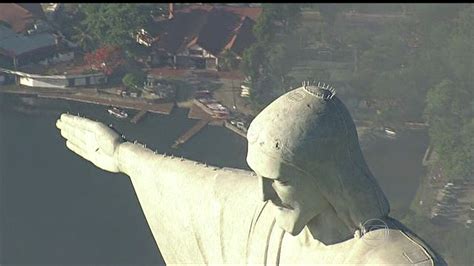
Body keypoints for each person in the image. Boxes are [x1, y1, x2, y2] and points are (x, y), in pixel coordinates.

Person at [56, 83, 444, 265]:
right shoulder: (271, 223)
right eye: (257, 177)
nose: (264, 196)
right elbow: (204, 190)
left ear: (326, 176)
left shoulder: (391, 262)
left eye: (281, 180)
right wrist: (124, 155)